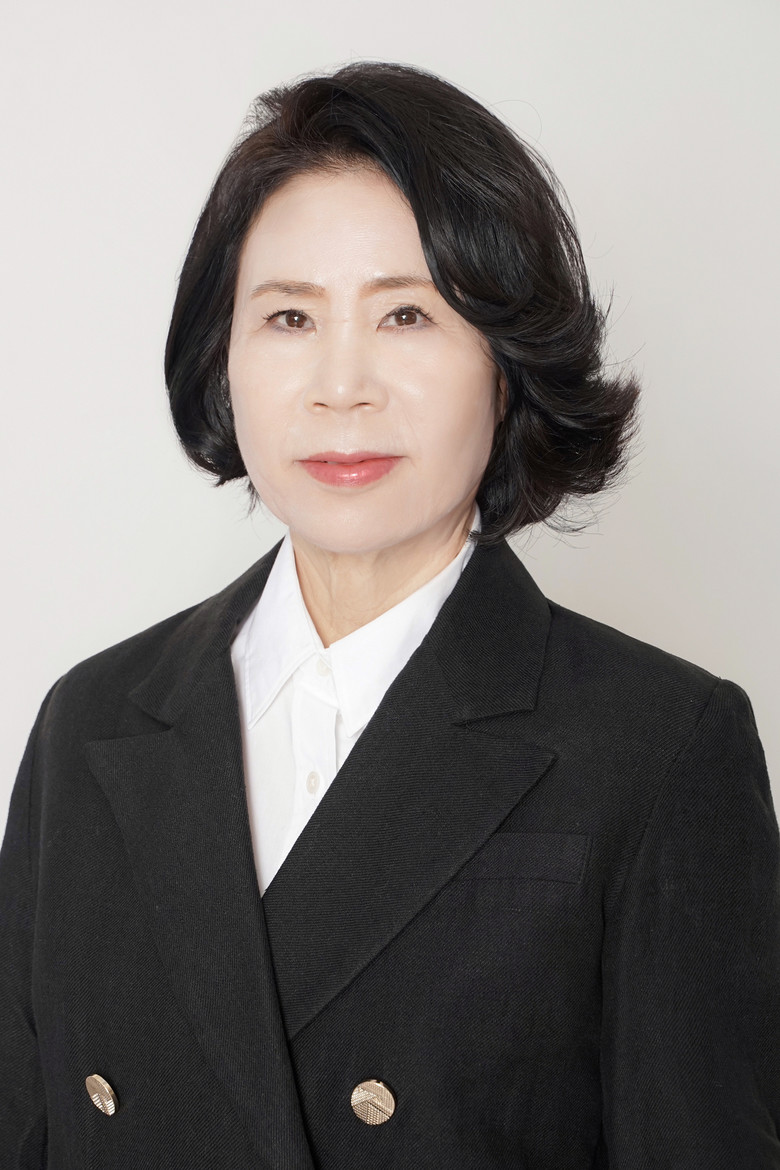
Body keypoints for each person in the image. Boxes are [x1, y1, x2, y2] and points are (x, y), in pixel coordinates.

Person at [1, 59, 778, 1170]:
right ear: (224, 358)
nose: (341, 385)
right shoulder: (92, 721)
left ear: (505, 362)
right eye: (288, 316)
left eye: (406, 314)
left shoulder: (660, 748)